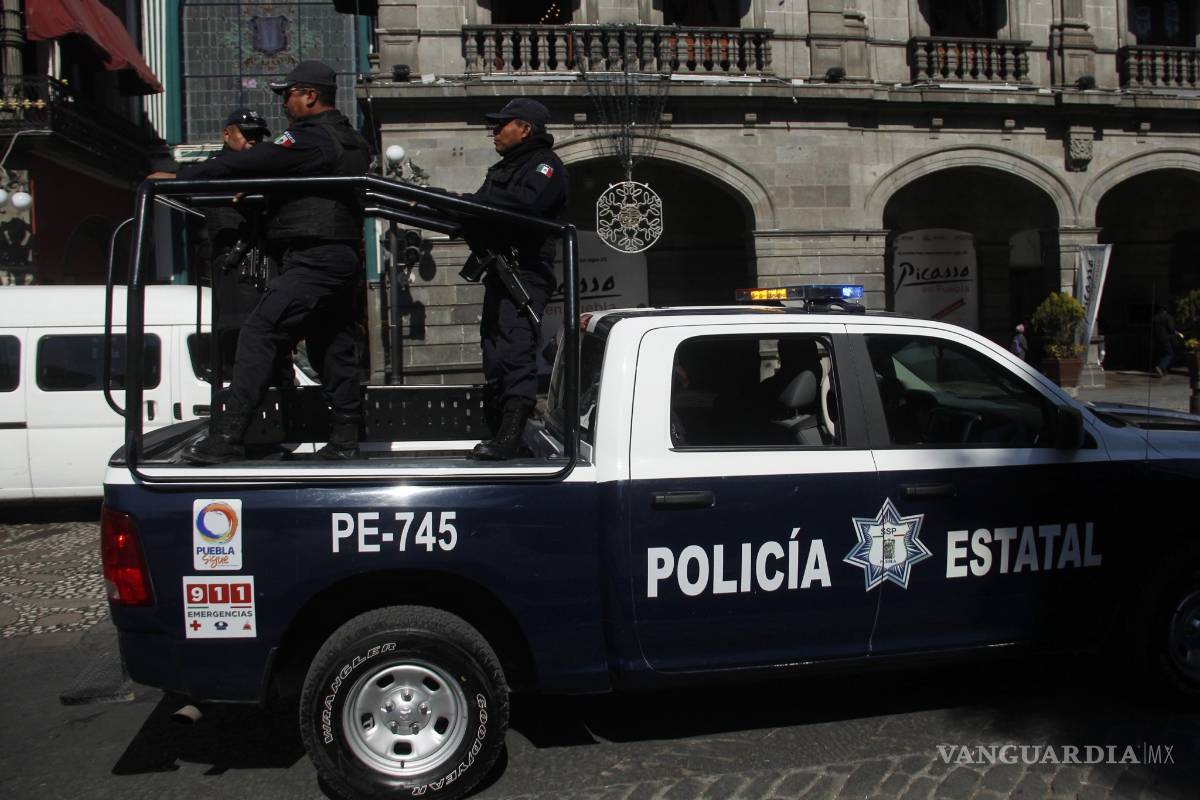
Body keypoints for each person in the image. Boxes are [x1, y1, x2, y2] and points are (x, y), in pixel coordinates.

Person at [153, 60, 371, 464]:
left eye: (287, 93)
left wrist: (182, 177)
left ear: (309, 95)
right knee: (331, 346)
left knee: (260, 331)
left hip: (314, 256)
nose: (284, 103)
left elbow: (247, 162)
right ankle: (345, 440)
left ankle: (229, 435)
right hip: (337, 255)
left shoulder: (311, 138)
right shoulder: (349, 139)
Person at [463, 98, 568, 460]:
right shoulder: (503, 170)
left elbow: (526, 205)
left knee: (512, 349)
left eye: (502, 124)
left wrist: (474, 209)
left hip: (524, 273)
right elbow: (477, 208)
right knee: (494, 353)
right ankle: (501, 432)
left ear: (525, 128)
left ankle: (511, 435)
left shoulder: (545, 166)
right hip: (499, 272)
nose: (494, 131)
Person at [1152, 304, 1182, 377]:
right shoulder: (1168, 317)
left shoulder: (1155, 318)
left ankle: (1163, 371)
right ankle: (1160, 367)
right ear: (1166, 310)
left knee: (1162, 354)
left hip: (1157, 339)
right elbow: (1171, 328)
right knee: (1170, 353)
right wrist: (1177, 333)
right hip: (1166, 338)